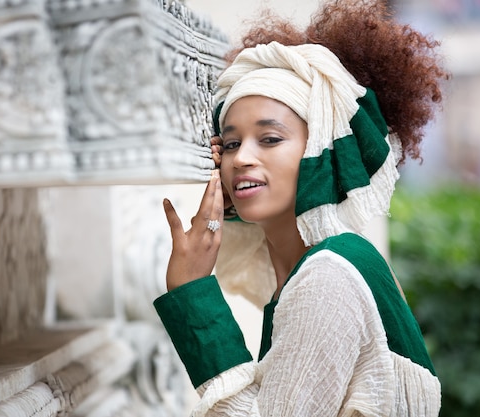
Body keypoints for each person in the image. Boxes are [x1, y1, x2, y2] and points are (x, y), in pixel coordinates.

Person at [153, 0, 449, 415]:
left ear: (320, 153)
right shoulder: (319, 268)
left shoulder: (328, 277)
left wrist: (190, 294)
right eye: (232, 143)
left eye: (270, 139)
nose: (241, 159)